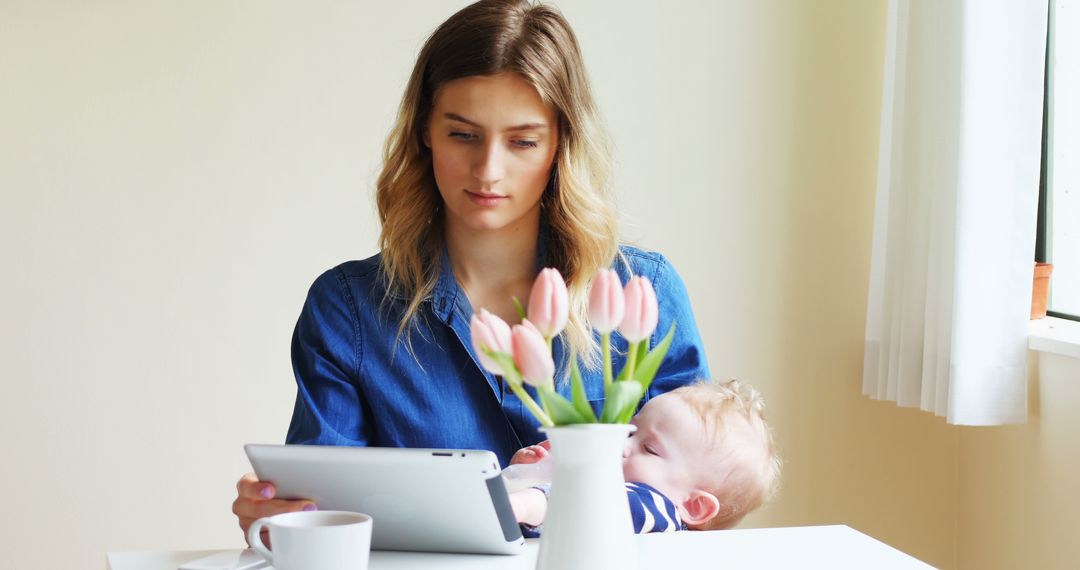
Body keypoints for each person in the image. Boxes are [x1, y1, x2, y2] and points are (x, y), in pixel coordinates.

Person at [232, 0, 710, 542]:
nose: (488, 171)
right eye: (463, 134)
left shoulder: (640, 294)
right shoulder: (348, 308)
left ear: (560, 144)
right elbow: (322, 519)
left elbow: (708, 502)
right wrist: (279, 520)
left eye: (523, 142)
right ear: (424, 132)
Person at [507, 379, 781, 534]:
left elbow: (586, 505)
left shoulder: (657, 510)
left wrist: (521, 503)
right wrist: (528, 472)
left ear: (694, 506)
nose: (623, 446)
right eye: (630, 433)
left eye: (650, 449)